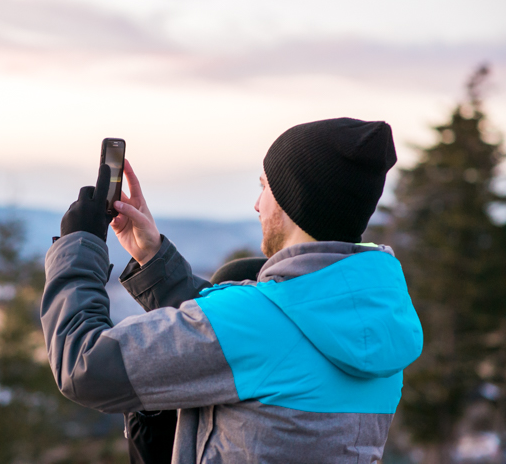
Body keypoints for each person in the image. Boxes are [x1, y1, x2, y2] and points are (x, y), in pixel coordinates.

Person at [41, 118, 423, 463]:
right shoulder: (379, 323)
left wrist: (80, 244)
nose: (257, 205)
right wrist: (153, 258)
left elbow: (83, 366)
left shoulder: (255, 325)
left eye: (264, 188)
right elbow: (259, 343)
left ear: (294, 201)